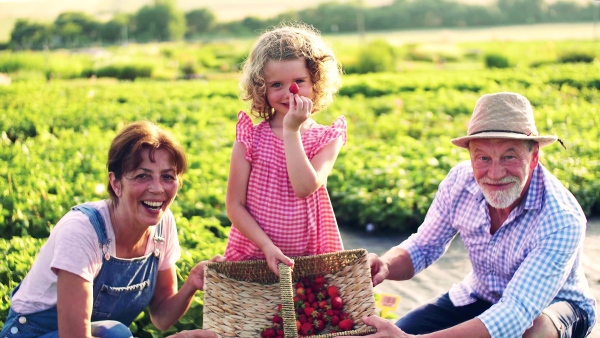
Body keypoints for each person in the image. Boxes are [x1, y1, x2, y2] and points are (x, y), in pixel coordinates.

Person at [351, 92, 596, 338]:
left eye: (509, 156)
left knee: (534, 332)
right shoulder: (460, 182)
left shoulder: (561, 219)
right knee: (400, 330)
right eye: (483, 158)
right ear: (470, 156)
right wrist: (386, 264)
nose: (495, 173)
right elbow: (423, 247)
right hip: (482, 294)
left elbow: (516, 312)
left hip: (554, 307)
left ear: (533, 157)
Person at [0, 121, 221, 338]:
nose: (157, 189)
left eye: (167, 177)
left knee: (115, 332)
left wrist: (191, 283)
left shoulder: (163, 225)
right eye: (142, 176)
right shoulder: (82, 231)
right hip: (33, 333)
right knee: (117, 333)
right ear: (115, 183)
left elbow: (161, 317)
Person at [224, 22, 346, 275]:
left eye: (299, 81)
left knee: (304, 311)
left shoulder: (327, 137)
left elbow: (304, 187)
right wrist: (267, 246)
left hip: (308, 257)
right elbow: (234, 205)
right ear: (261, 88)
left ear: (316, 83)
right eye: (276, 85)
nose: (289, 92)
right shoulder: (250, 138)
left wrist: (291, 131)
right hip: (256, 253)